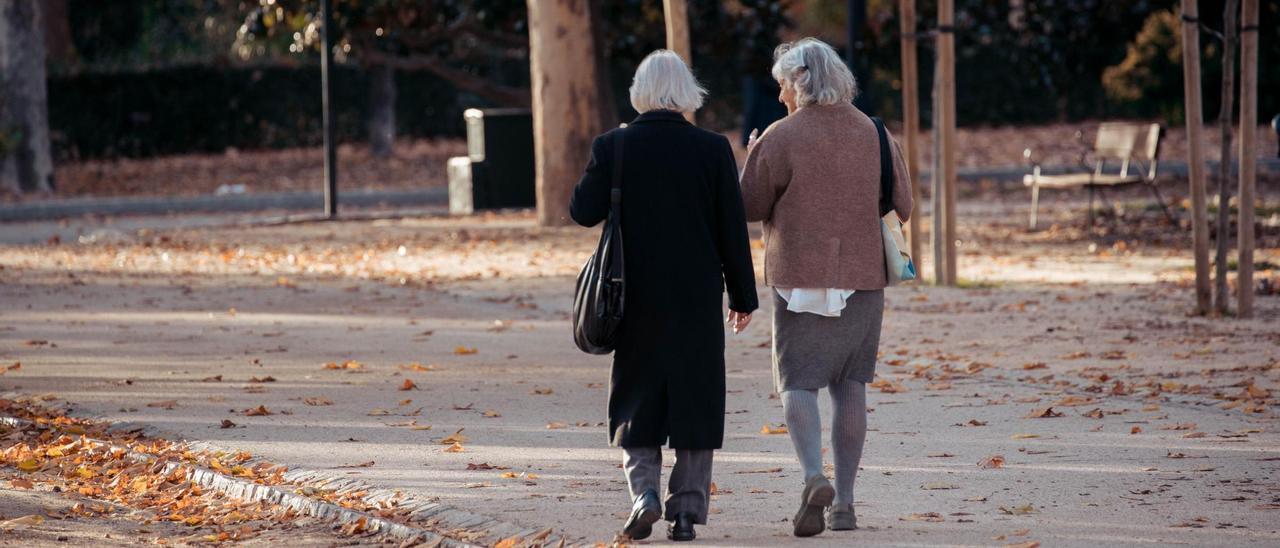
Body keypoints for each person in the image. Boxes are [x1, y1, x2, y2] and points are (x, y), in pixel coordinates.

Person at [569, 49, 758, 542]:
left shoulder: (615, 147)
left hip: (632, 294)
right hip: (695, 294)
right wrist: (743, 295)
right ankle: (687, 513)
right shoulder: (713, 149)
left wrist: (601, 171)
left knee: (636, 395)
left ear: (640, 92)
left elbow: (581, 211)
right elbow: (731, 231)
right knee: (696, 399)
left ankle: (644, 494)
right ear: (686, 92)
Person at [739, 38, 913, 538]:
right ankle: (847, 505)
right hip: (862, 277)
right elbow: (902, 204)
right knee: (851, 384)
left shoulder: (780, 135)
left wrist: (753, 156)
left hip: (798, 276)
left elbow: (749, 206)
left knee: (797, 382)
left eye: (781, 87)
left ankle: (814, 476)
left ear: (798, 83)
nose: (779, 98)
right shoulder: (874, 133)